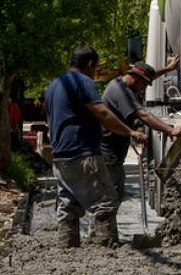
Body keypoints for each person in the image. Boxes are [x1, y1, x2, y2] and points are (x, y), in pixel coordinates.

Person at [45, 45, 148, 248]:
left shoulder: (54, 85)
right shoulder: (83, 82)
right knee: (106, 201)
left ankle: (67, 245)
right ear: (90, 64)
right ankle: (105, 246)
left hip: (60, 156)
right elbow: (102, 113)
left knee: (69, 203)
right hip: (83, 152)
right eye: (95, 68)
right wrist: (131, 132)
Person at [100, 57, 181, 212]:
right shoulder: (121, 92)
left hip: (111, 153)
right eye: (144, 84)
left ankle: (102, 233)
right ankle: (103, 235)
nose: (144, 88)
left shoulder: (122, 83)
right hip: (108, 154)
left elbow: (149, 75)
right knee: (110, 200)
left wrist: (168, 68)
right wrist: (170, 130)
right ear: (136, 78)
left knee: (112, 196)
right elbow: (144, 115)